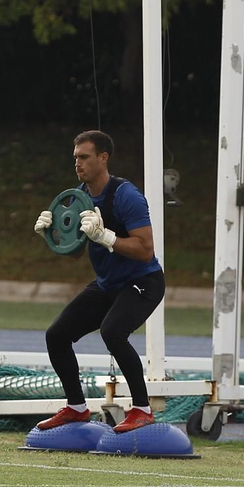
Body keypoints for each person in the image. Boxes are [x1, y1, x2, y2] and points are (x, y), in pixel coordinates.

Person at [33, 130, 166, 433]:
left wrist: (107, 237)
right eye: (75, 158)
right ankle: (77, 408)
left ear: (103, 158)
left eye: (84, 157)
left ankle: (142, 410)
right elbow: (76, 253)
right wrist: (52, 236)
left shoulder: (126, 196)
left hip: (143, 281)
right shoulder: (79, 197)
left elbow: (146, 251)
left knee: (113, 332)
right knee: (56, 335)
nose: (77, 163)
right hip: (107, 284)